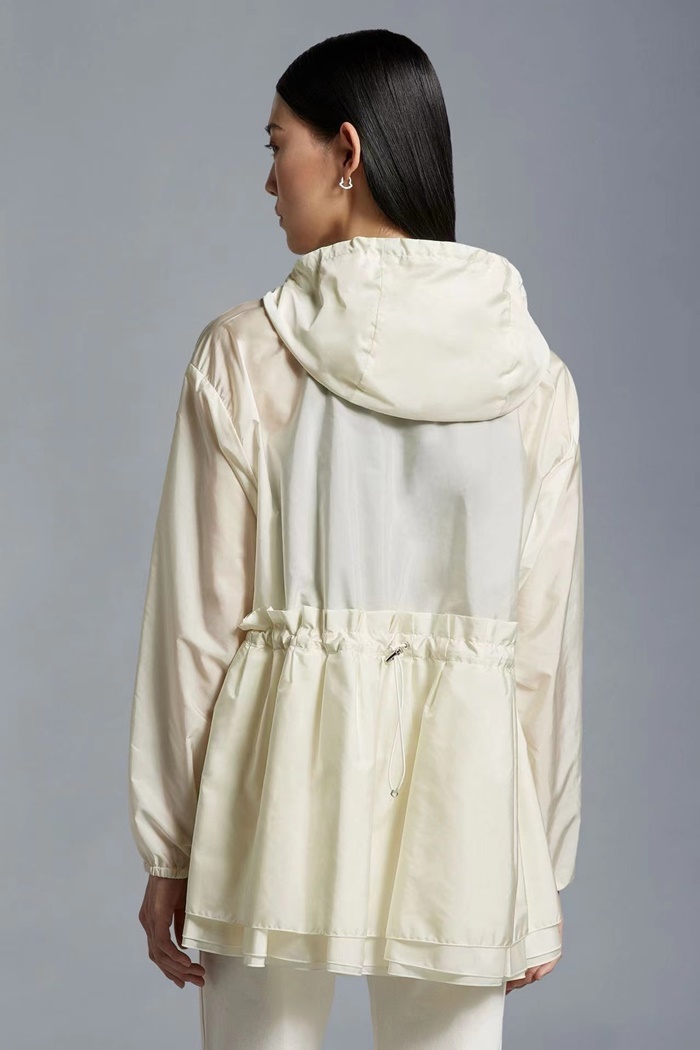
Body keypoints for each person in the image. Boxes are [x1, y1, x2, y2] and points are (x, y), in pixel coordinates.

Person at [127, 28, 583, 1050]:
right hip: (468, 798)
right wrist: (537, 859)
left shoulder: (244, 354)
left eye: (275, 144)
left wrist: (170, 848)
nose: (267, 180)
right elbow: (542, 638)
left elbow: (197, 626)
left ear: (346, 150)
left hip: (269, 793)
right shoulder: (533, 376)